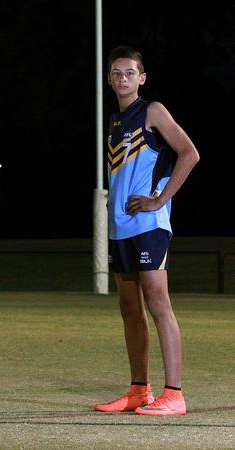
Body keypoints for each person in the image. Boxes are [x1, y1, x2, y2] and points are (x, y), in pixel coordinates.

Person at [95, 45, 199, 417]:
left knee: (158, 303)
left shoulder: (152, 111)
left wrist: (160, 199)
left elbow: (189, 153)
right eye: (116, 73)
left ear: (142, 77)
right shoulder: (114, 119)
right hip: (121, 228)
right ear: (109, 79)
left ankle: (175, 394)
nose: (122, 78)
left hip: (149, 225)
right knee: (129, 309)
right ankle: (139, 390)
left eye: (129, 73)